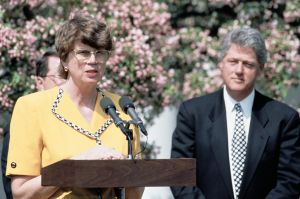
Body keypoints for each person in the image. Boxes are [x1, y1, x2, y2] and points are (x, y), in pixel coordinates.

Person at [6, 13, 143, 199]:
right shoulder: (32, 107)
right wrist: (77, 165)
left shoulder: (123, 109)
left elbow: (134, 194)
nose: (93, 61)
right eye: (84, 53)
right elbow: (22, 193)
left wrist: (127, 175)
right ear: (64, 60)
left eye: (100, 53)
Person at [171, 27, 300, 199]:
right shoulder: (192, 114)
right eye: (233, 61)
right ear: (221, 63)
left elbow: (289, 183)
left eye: (248, 64)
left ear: (260, 69)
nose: (239, 70)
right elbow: (180, 178)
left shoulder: (284, 119)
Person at [1, 50, 65, 199]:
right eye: (60, 76)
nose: (66, 82)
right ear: (40, 82)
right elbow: (14, 191)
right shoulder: (24, 120)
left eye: (69, 77)